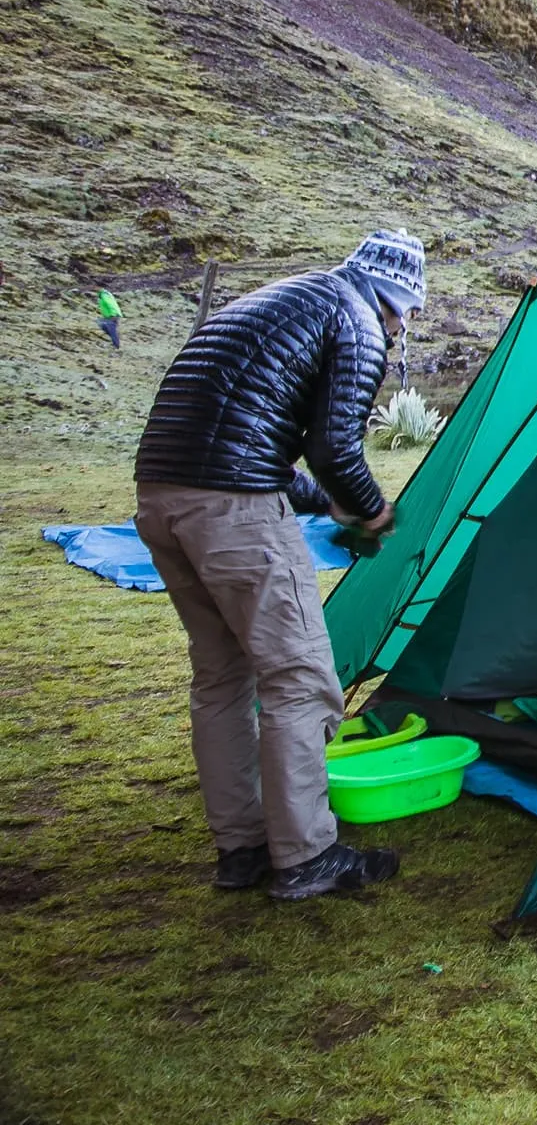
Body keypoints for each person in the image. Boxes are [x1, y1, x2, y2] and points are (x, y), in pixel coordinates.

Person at [133, 231, 426, 900]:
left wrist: (323, 504)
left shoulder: (283, 298)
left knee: (221, 675)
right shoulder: (356, 320)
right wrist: (370, 510)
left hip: (161, 498)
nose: (399, 327)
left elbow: (249, 436)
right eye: (405, 316)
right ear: (401, 303)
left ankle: (241, 847)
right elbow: (331, 446)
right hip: (233, 515)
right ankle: (306, 855)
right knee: (299, 678)